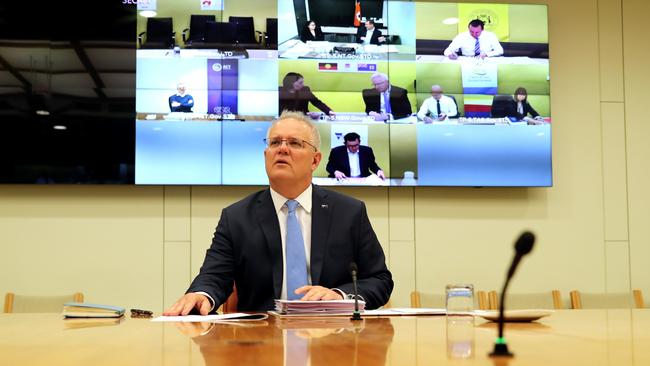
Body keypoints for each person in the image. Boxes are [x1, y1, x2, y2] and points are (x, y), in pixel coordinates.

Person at [163, 111, 393, 314]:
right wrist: (201, 295)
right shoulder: (237, 217)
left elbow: (379, 280)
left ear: (315, 160)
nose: (282, 148)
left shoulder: (349, 212)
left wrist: (338, 296)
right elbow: (214, 276)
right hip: (260, 341)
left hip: (333, 336)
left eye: (294, 143)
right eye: (275, 143)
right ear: (266, 156)